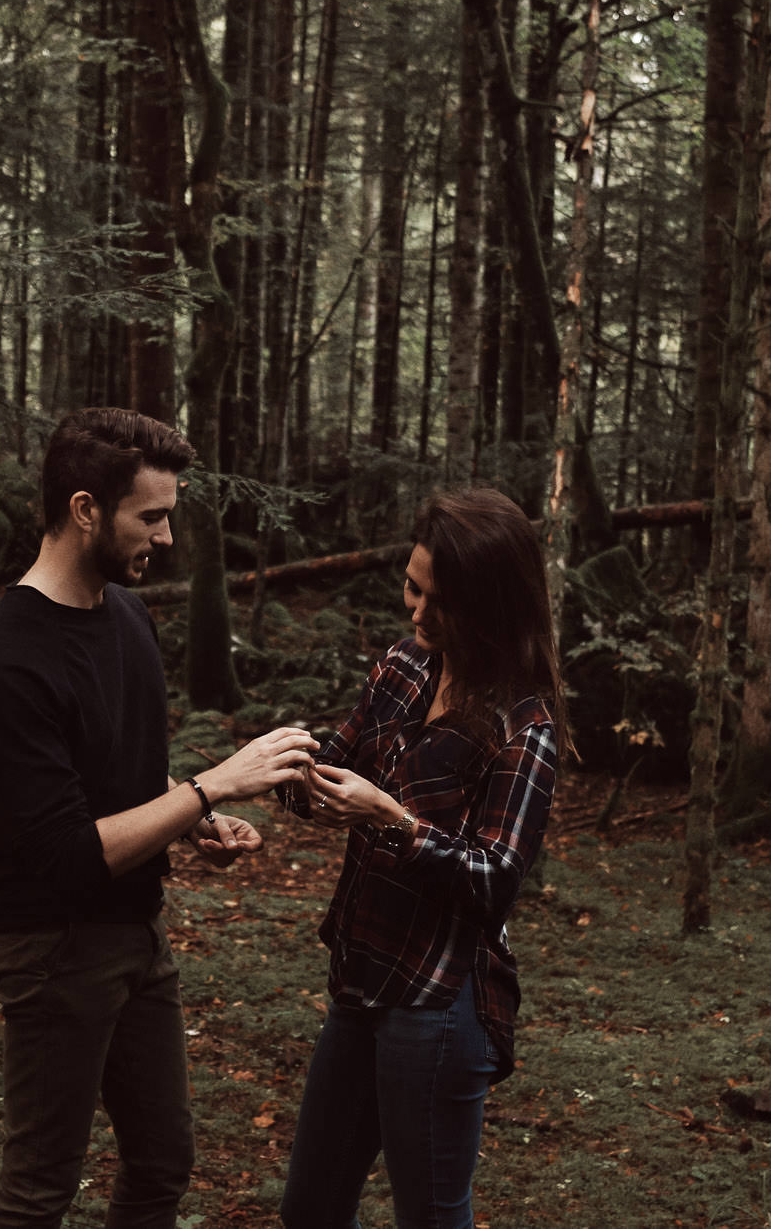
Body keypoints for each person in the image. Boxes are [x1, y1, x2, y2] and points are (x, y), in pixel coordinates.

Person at [0, 407, 320, 1229]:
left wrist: (193, 820)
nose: (165, 538)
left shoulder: (126, 614)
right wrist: (209, 790)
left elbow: (113, 772)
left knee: (162, 1161)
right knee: (38, 1190)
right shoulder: (8, 658)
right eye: (151, 517)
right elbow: (65, 855)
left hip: (135, 931)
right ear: (87, 509)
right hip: (53, 948)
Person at [276, 487, 564, 1229]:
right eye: (413, 586)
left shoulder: (522, 724)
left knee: (430, 1217)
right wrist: (279, 773)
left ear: (492, 603)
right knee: (309, 1207)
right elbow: (333, 768)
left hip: (438, 1004)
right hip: (362, 975)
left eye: (442, 600)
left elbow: (496, 882)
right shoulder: (405, 666)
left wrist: (398, 822)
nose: (418, 612)